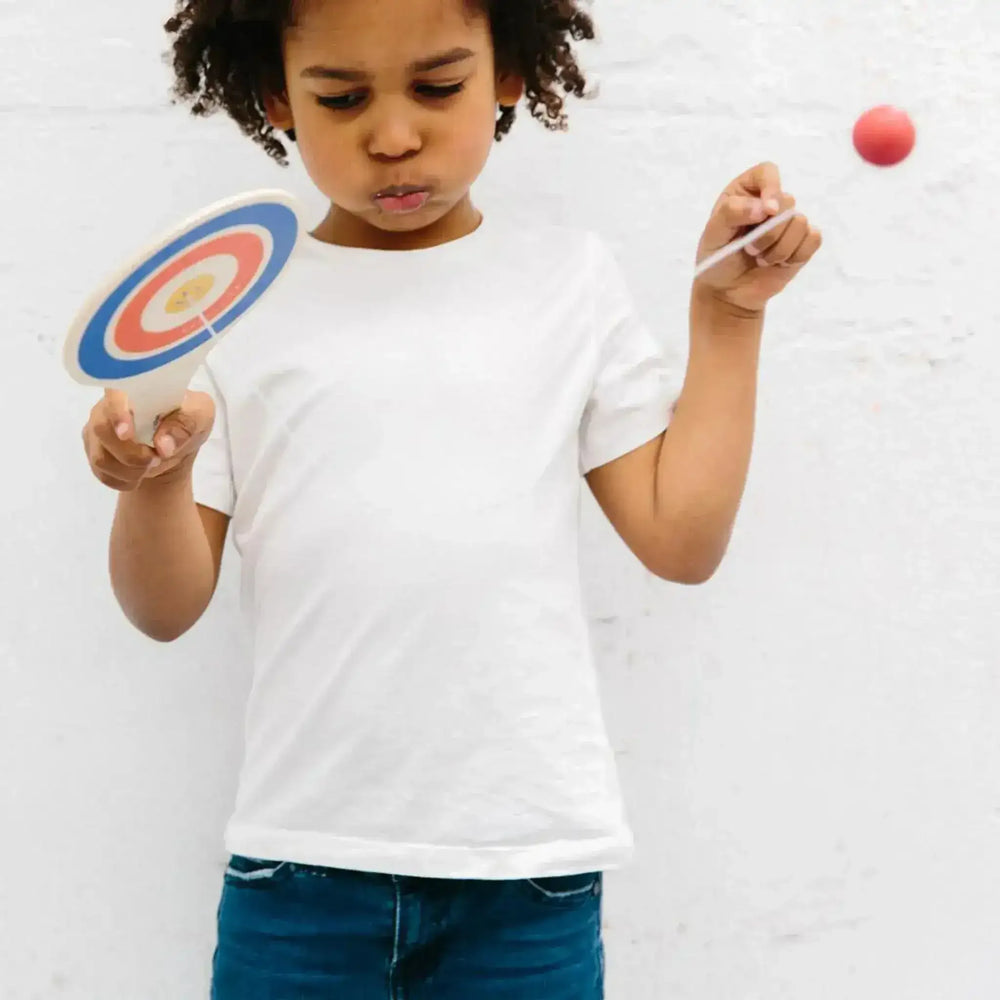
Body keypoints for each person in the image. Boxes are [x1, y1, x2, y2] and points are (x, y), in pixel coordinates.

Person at [80, 0, 822, 996]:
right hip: (299, 871)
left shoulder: (567, 279)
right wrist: (158, 478)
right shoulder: (228, 304)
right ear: (275, 97)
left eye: (438, 86)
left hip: (526, 878)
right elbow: (162, 607)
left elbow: (680, 539)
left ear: (510, 72)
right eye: (340, 98)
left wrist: (725, 315)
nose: (393, 136)